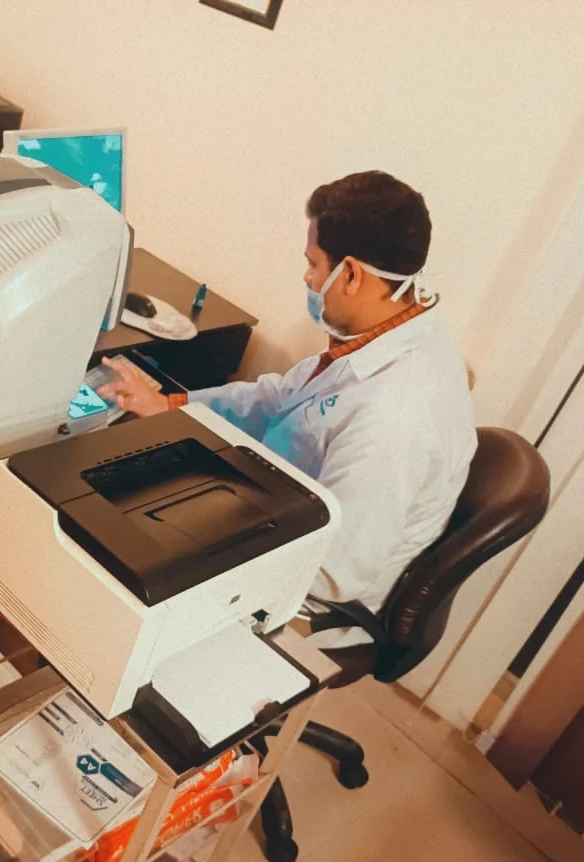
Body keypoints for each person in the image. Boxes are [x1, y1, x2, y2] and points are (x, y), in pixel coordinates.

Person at [99, 171, 476, 647]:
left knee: (122, 561)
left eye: (314, 264)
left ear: (352, 274)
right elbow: (279, 398)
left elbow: (333, 575)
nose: (307, 278)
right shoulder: (394, 329)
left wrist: (210, 532)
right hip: (281, 508)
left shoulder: (394, 422)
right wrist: (170, 405)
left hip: (305, 606)